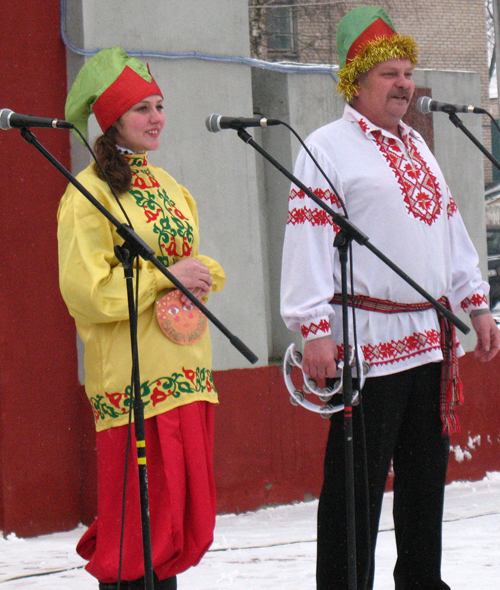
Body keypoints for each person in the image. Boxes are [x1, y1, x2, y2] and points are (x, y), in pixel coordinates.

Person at [280, 6, 500, 590]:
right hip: (367, 344)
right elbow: (307, 236)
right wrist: (313, 327)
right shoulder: (327, 147)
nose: (405, 83)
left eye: (407, 72)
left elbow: (449, 230)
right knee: (356, 486)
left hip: (429, 344)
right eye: (389, 74)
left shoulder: (419, 147)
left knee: (426, 482)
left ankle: (422, 582)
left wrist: (475, 303)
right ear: (356, 81)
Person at [58, 47, 225, 590]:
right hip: (134, 381)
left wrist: (200, 273)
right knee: (137, 537)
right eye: (142, 109)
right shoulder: (90, 194)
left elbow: (194, 260)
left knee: (172, 531)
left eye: (159, 106)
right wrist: (167, 278)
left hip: (185, 372)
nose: (157, 118)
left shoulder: (171, 187)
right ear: (112, 122)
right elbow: (88, 292)